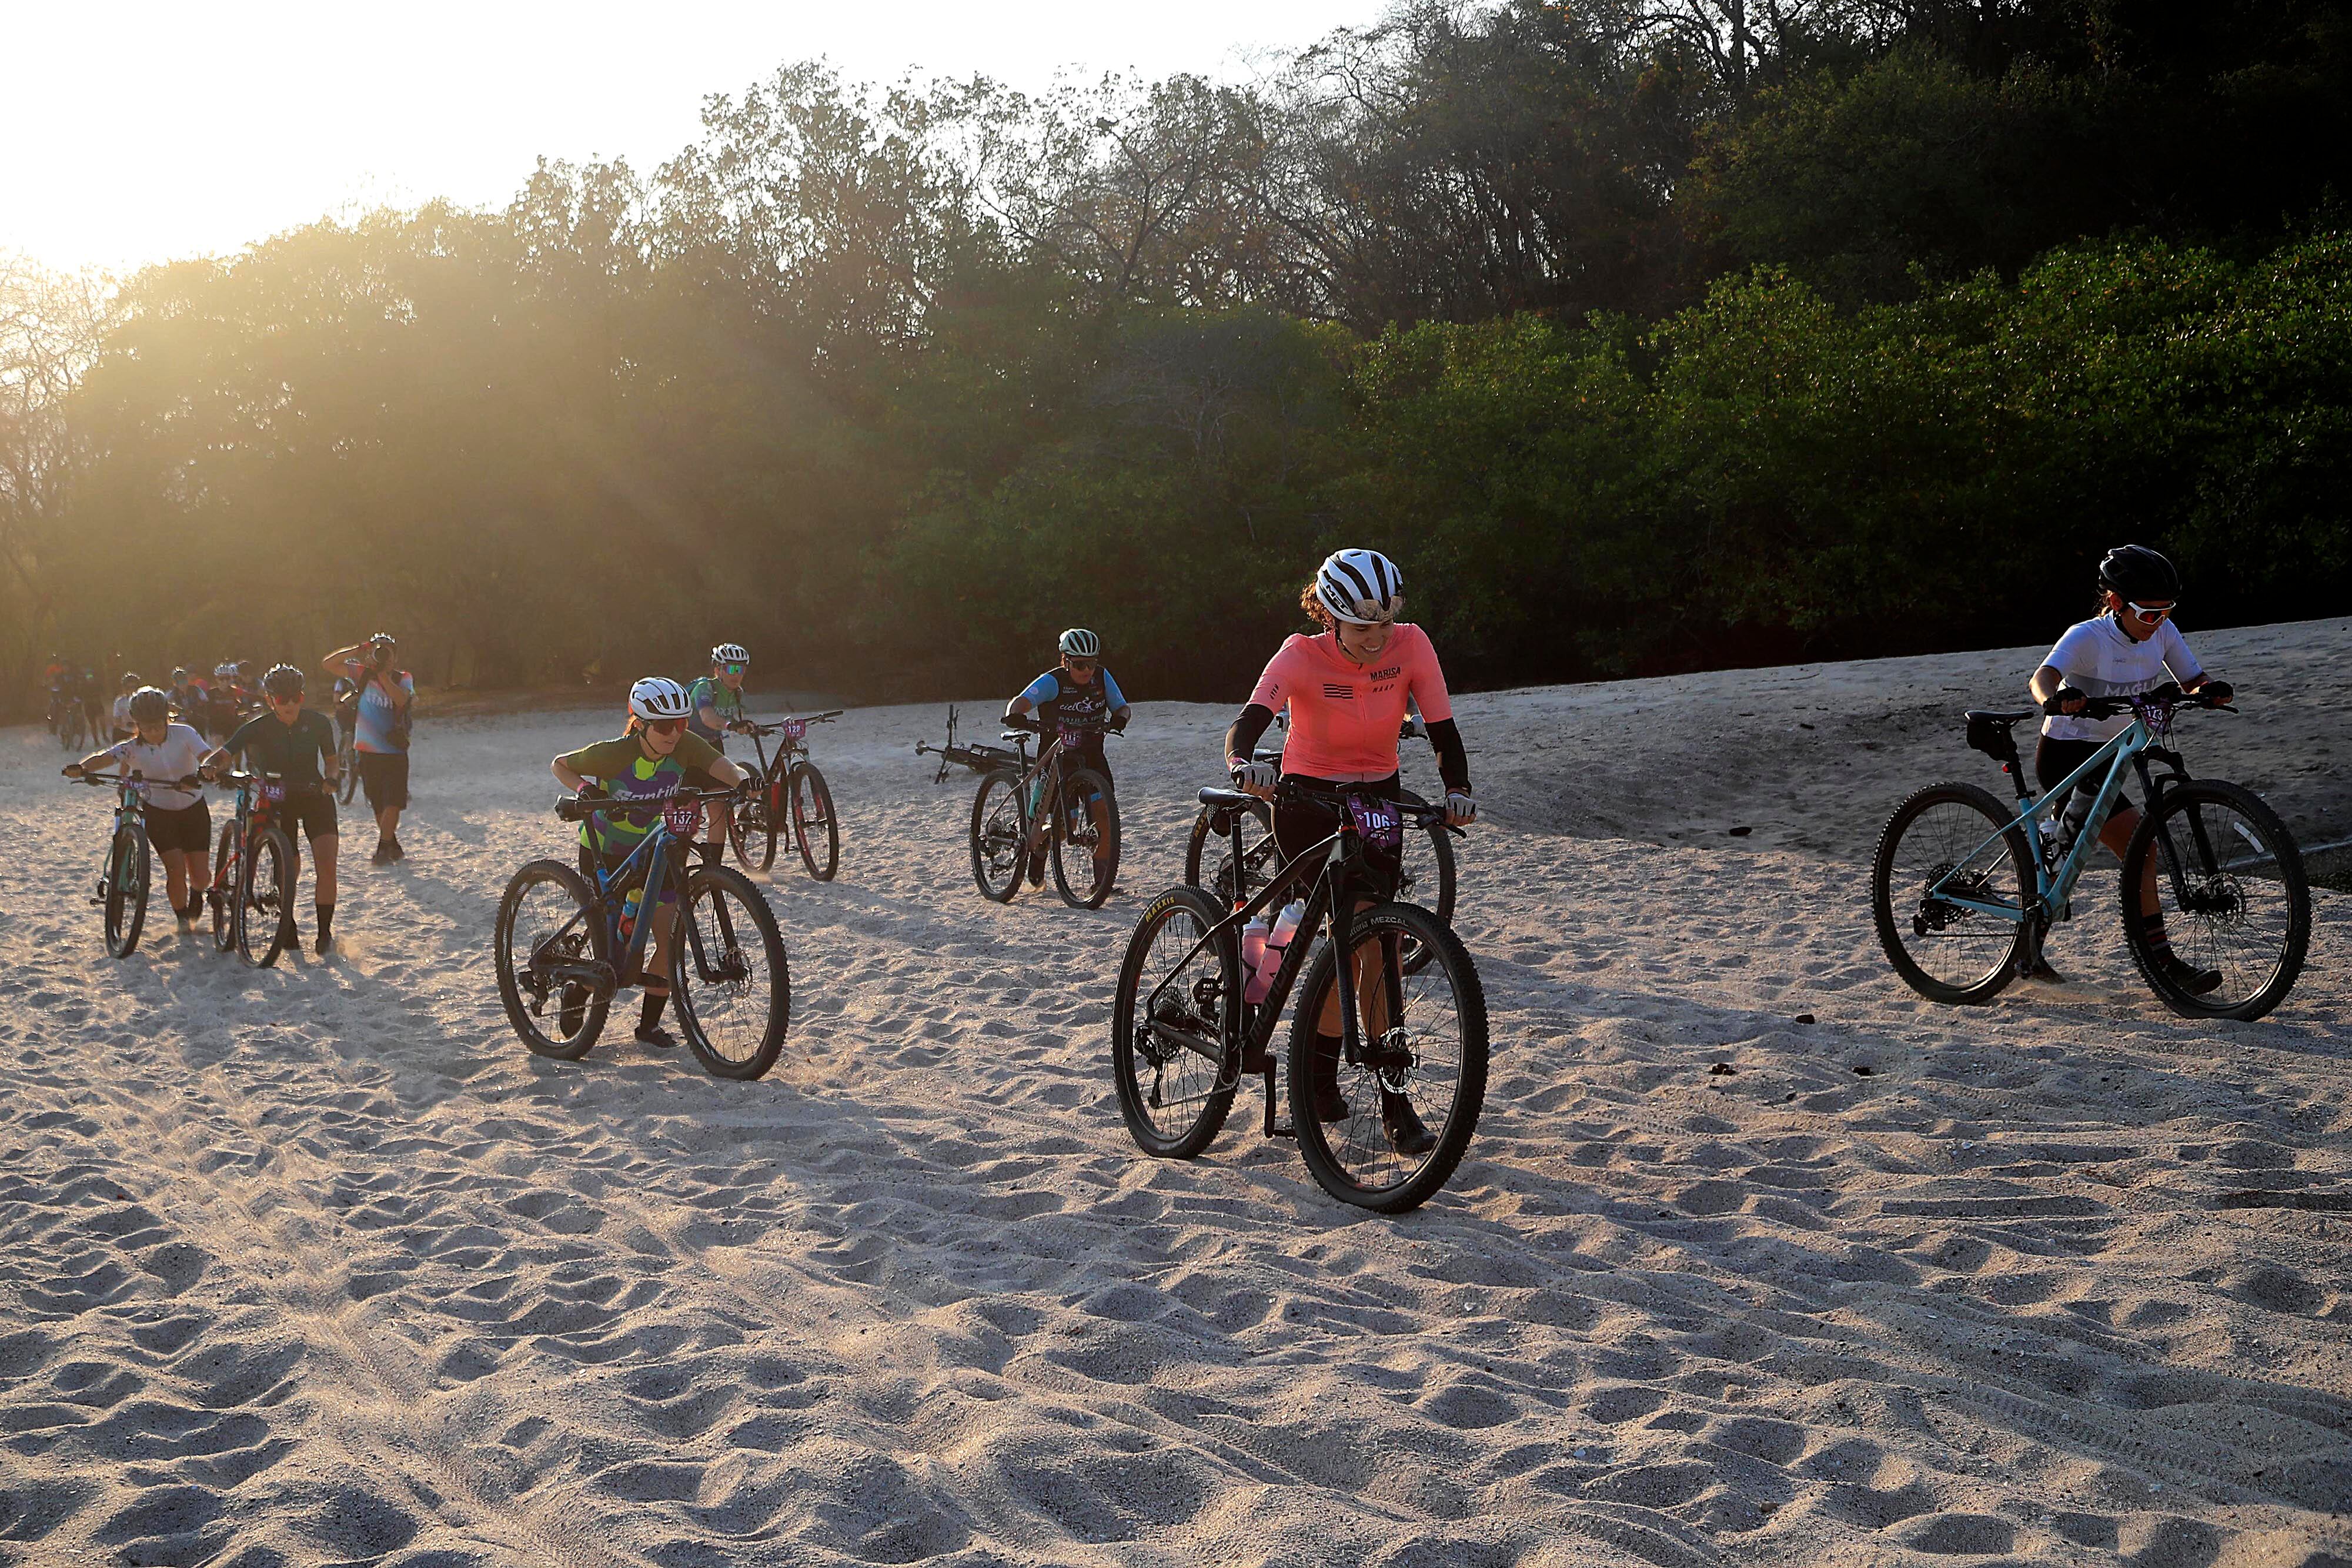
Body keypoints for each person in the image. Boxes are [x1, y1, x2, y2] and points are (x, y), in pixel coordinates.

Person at [1224, 549, 1476, 1156]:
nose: (1378, 638)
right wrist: (1242, 765)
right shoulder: (1298, 654)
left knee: (1373, 938)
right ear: (1331, 617)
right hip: (1305, 800)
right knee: (1353, 931)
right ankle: (1348, 1088)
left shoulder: (1411, 646)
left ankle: (1352, 1085)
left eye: (1386, 624)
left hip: (1377, 798)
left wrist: (1457, 790)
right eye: (1364, 627)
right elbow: (1249, 723)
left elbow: (1441, 728)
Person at [2028, 544, 2229, 994]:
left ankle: (2046, 864)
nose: (2159, 621)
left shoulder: (2161, 631)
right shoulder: (2087, 637)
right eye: (2149, 613)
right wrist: (2054, 699)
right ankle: (2162, 964)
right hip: (2068, 754)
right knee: (2141, 844)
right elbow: (2041, 679)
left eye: (2167, 612)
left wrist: (2208, 690)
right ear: (2116, 603)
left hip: (2115, 753)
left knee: (2097, 851)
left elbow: (2191, 679)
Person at [551, 678, 748, 1049]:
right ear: (640, 724)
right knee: (617, 948)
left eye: (681, 723)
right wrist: (585, 790)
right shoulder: (614, 753)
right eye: (663, 726)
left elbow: (722, 766)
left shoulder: (686, 745)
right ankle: (578, 990)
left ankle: (648, 1027)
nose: (674, 733)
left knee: (669, 939)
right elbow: (560, 765)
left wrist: (743, 781)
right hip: (606, 851)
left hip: (654, 851)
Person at [202, 664, 342, 955]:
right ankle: (287, 923)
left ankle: (324, 933)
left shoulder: (318, 723)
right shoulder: (258, 727)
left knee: (327, 865)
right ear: (270, 700)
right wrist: (210, 767)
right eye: (282, 699)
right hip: (279, 800)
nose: (290, 704)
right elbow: (226, 752)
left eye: (296, 698)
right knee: (288, 866)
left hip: (315, 795)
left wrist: (332, 778)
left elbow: (331, 759)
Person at [66, 687, 213, 930]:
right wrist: (81, 768)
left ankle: (198, 895)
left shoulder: (185, 734)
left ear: (167, 718)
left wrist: (207, 769)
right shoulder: (131, 748)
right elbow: (104, 758)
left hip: (193, 807)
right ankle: (183, 920)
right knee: (175, 869)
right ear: (137, 724)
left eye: (158, 725)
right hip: (159, 812)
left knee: (200, 875)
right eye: (147, 727)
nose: (153, 731)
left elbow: (206, 754)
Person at [1004, 628, 1131, 885]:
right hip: (1057, 761)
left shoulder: (1103, 678)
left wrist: (1119, 719)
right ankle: (1039, 852)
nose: (1087, 670)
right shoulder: (1053, 681)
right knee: (1064, 828)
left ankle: (1102, 882)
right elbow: (1021, 701)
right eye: (1080, 664)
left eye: (1092, 663)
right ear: (1065, 661)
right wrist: (1016, 714)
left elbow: (1123, 707)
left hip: (1093, 756)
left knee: (1103, 815)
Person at [323, 634, 415, 864]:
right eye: (379, 651)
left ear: (396, 656)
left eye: (388, 652)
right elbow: (328, 664)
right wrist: (357, 648)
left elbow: (402, 699)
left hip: (394, 751)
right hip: (367, 750)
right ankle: (391, 843)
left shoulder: (403, 678)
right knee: (377, 802)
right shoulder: (361, 673)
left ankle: (384, 847)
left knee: (394, 801)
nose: (384, 655)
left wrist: (382, 673)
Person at [686, 643, 755, 861]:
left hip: (713, 748)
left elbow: (734, 719)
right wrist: (730, 726)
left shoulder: (737, 693)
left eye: (741, 669)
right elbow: (707, 717)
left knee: (719, 810)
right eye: (731, 669)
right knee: (687, 815)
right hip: (687, 751)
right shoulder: (705, 688)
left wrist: (746, 727)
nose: (737, 675)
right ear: (718, 669)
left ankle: (713, 864)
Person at [110, 673, 142, 741]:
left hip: (141, 731)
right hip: (124, 732)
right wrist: (127, 724)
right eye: (129, 687)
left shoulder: (143, 700)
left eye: (134, 687)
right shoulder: (120, 702)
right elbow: (117, 721)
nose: (132, 690)